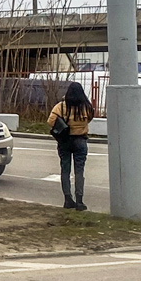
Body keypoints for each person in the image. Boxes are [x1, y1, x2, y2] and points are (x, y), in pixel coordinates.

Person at [47, 82, 95, 210]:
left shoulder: (61, 107)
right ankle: (79, 201)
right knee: (79, 171)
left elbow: (50, 121)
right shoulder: (87, 107)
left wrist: (63, 125)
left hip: (64, 140)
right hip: (80, 140)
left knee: (65, 170)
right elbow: (89, 118)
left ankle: (68, 199)